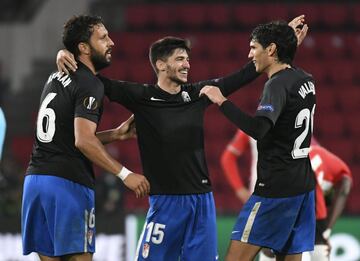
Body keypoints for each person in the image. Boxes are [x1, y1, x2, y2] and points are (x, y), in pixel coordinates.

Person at [57, 16, 308, 261]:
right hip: (165, 203)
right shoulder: (140, 97)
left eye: (187, 59)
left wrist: (284, 40)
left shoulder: (197, 94)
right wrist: (63, 55)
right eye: (179, 59)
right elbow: (91, 78)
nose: (187, 64)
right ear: (161, 65)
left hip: (202, 203)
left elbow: (246, 72)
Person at [21, 15, 150, 261]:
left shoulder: (54, 76)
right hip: (67, 184)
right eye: (103, 38)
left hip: (35, 182)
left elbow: (68, 137)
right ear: (83, 47)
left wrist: (114, 134)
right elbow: (82, 141)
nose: (111, 42)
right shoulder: (90, 84)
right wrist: (126, 174)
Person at [200, 20, 316, 261]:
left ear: (271, 50)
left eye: (254, 47)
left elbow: (259, 129)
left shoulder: (275, 85)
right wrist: (288, 40)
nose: (250, 54)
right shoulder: (305, 79)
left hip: (274, 191)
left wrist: (221, 100)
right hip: (303, 187)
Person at [222, 132, 352, 261]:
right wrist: (325, 232)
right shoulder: (305, 135)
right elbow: (342, 180)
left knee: (267, 250)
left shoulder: (262, 124)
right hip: (287, 201)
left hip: (272, 197)